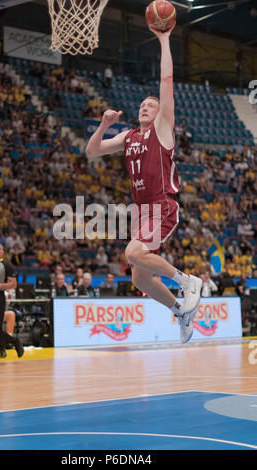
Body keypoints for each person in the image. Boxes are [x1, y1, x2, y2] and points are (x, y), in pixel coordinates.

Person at [86, 24, 202, 343]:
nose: (145, 107)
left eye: (150, 105)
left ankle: (187, 281)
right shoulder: (129, 136)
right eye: (142, 105)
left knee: (133, 252)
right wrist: (104, 124)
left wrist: (165, 40)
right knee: (140, 275)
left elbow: (166, 81)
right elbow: (92, 151)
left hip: (162, 205)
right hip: (143, 211)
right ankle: (181, 311)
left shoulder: (162, 129)